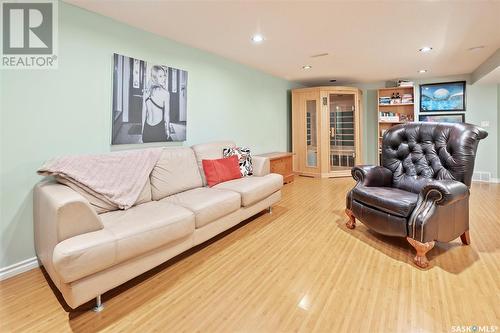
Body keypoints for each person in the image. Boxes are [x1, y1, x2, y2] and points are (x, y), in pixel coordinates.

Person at [142, 65, 171, 143]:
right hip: (158, 129)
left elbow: (143, 114)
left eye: (164, 76)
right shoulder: (165, 93)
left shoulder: (146, 92)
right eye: (160, 76)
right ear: (154, 77)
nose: (164, 78)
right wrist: (167, 130)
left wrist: (142, 130)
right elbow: (166, 115)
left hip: (146, 129)